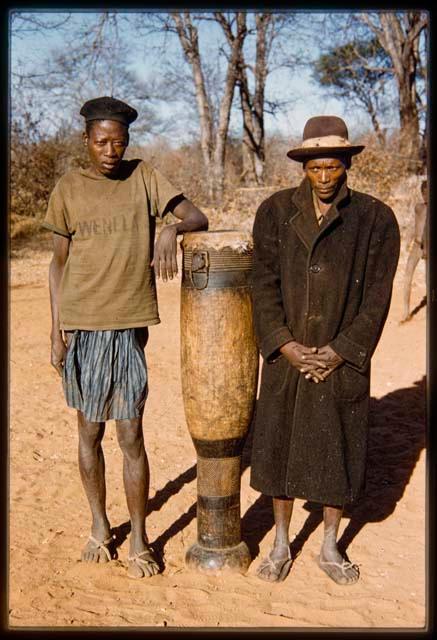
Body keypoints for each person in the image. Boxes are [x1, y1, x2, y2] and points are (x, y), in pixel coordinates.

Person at [43, 96, 208, 579]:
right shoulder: (69, 187)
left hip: (129, 326)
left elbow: (198, 217)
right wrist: (55, 331)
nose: (111, 150)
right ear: (86, 141)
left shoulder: (145, 177)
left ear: (128, 141)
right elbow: (58, 263)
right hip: (84, 327)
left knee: (131, 433)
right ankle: (99, 525)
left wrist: (170, 230)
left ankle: (138, 535)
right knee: (89, 431)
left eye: (119, 141)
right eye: (101, 142)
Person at [249, 115, 400, 585]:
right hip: (288, 356)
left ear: (347, 165)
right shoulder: (274, 212)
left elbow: (377, 297)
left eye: (334, 167)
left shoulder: (376, 219)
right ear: (303, 168)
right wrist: (284, 345)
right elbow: (262, 284)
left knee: (337, 447)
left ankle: (330, 545)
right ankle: (279, 543)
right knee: (278, 449)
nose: (325, 177)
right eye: (316, 169)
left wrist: (341, 350)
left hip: (342, 357)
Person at [400, 178, 428, 323]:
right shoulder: (419, 207)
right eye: (423, 193)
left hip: (429, 247)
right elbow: (414, 225)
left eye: (427, 192)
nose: (425, 196)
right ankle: (405, 311)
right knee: (407, 275)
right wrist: (407, 241)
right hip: (417, 246)